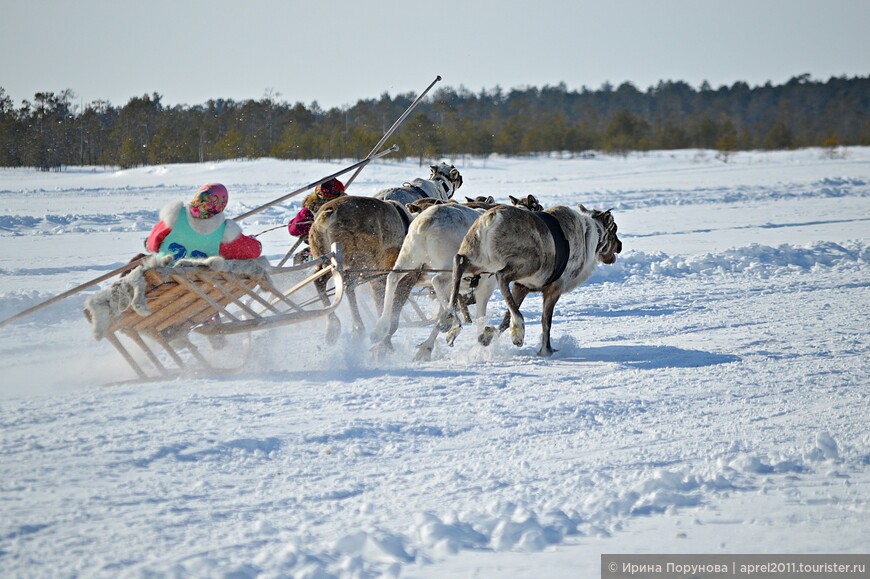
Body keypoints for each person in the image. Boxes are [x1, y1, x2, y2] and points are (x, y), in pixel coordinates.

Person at [146, 183, 262, 261]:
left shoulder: (175, 216)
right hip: (199, 285)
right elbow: (253, 251)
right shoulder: (224, 233)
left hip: (163, 279)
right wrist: (255, 242)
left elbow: (152, 245)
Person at [287, 177, 346, 263]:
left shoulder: (311, 210)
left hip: (322, 250)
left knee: (300, 257)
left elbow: (294, 229)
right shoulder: (346, 209)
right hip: (347, 248)